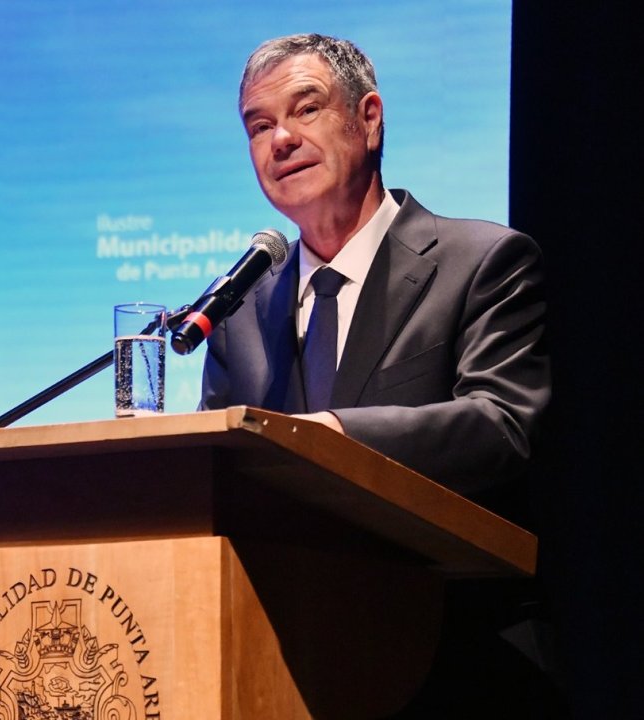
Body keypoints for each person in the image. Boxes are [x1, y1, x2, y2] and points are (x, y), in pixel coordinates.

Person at [198, 34, 559, 716]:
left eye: (305, 109)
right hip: (280, 667)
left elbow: (503, 426)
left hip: (461, 667)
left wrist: (333, 436)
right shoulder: (239, 312)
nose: (281, 139)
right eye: (259, 126)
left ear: (368, 119)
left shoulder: (483, 262)